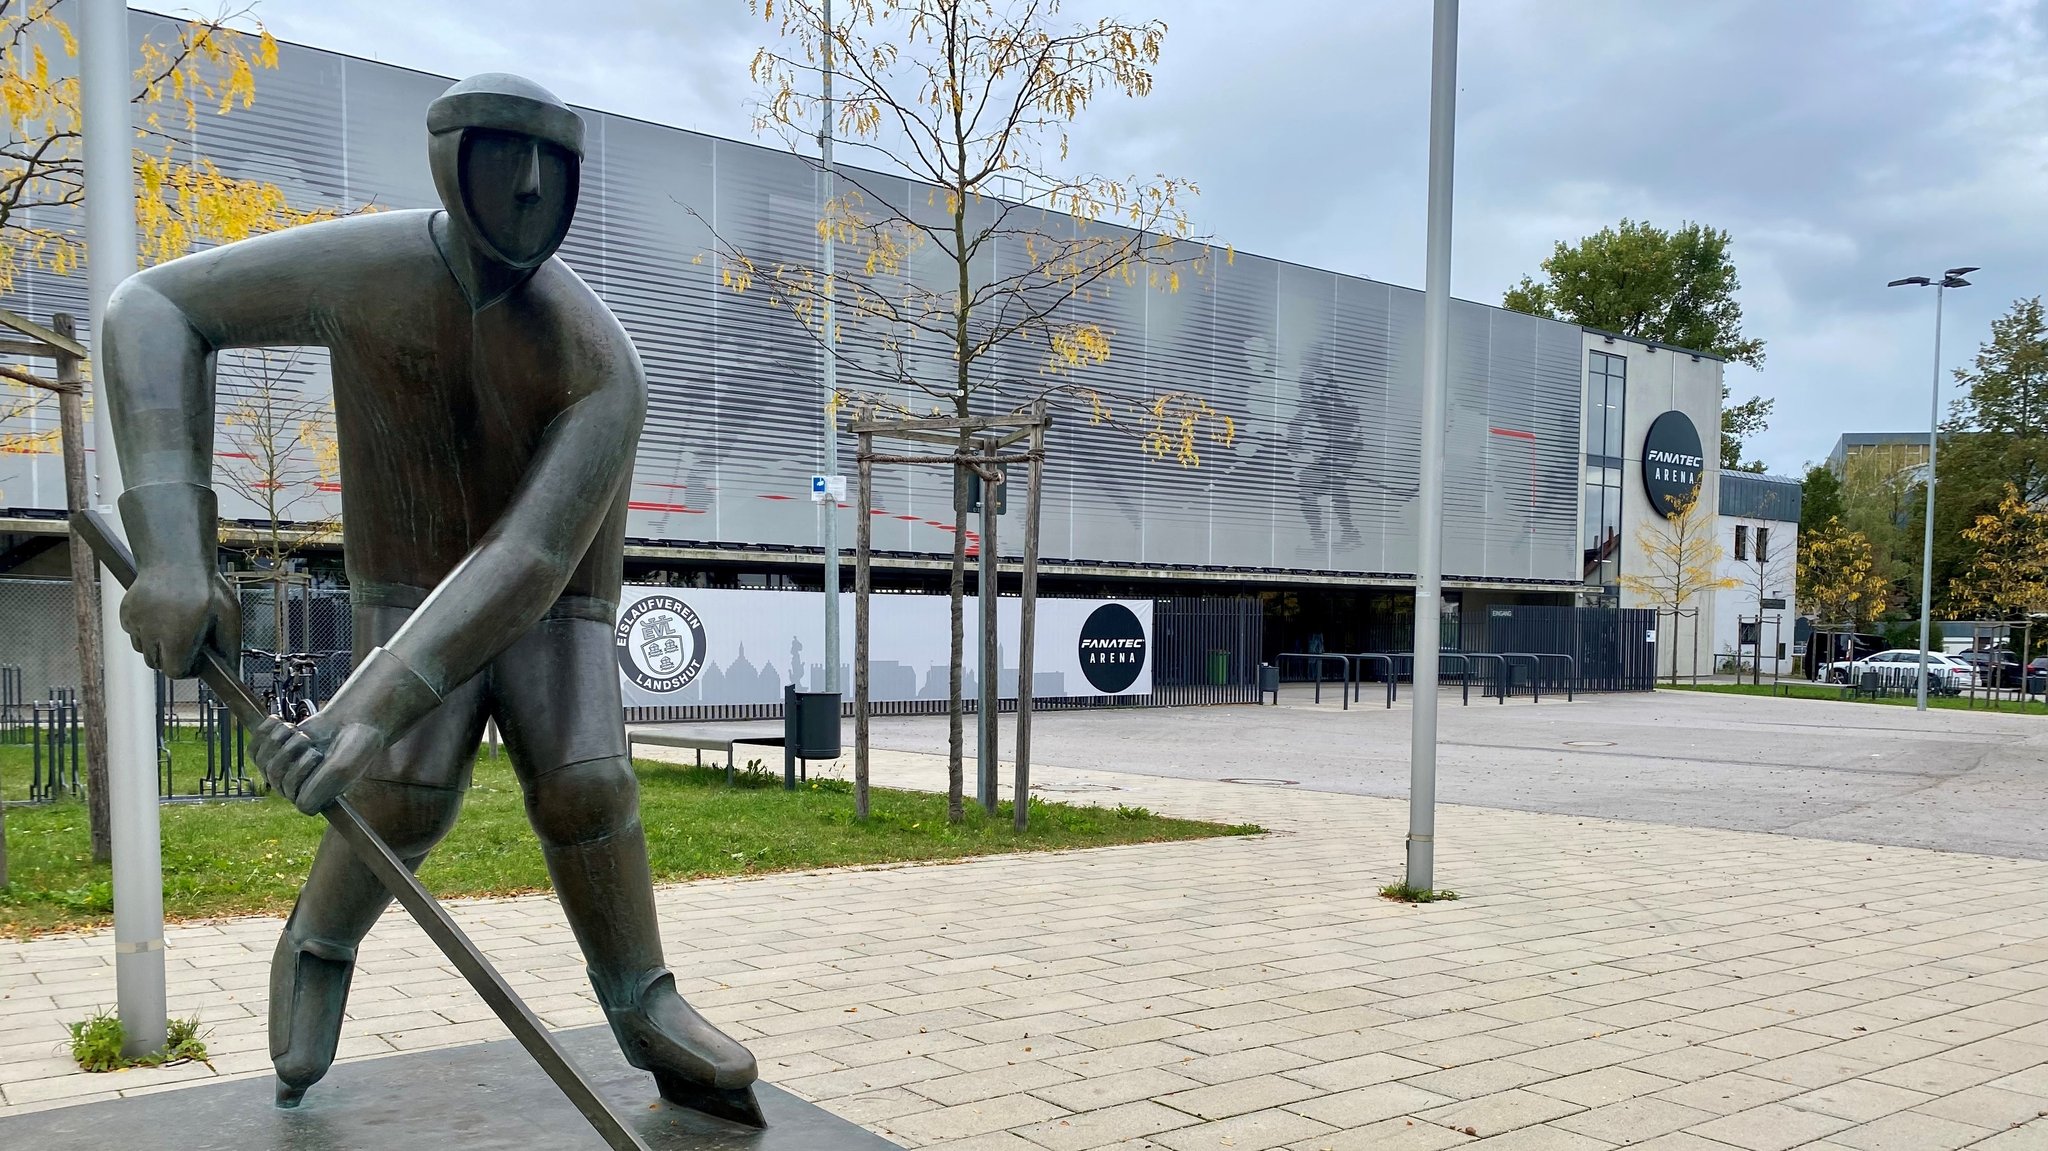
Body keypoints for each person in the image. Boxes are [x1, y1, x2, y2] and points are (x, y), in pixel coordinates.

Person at [99, 73, 761, 1124]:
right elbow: (152, 308)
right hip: (404, 581)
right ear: (449, 158)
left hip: (556, 600)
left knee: (584, 778)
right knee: (405, 788)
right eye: (506, 154)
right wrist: (176, 545)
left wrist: (360, 709)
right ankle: (319, 938)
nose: (534, 187)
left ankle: (640, 995)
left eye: (557, 164)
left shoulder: (602, 363)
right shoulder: (363, 268)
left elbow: (531, 554)